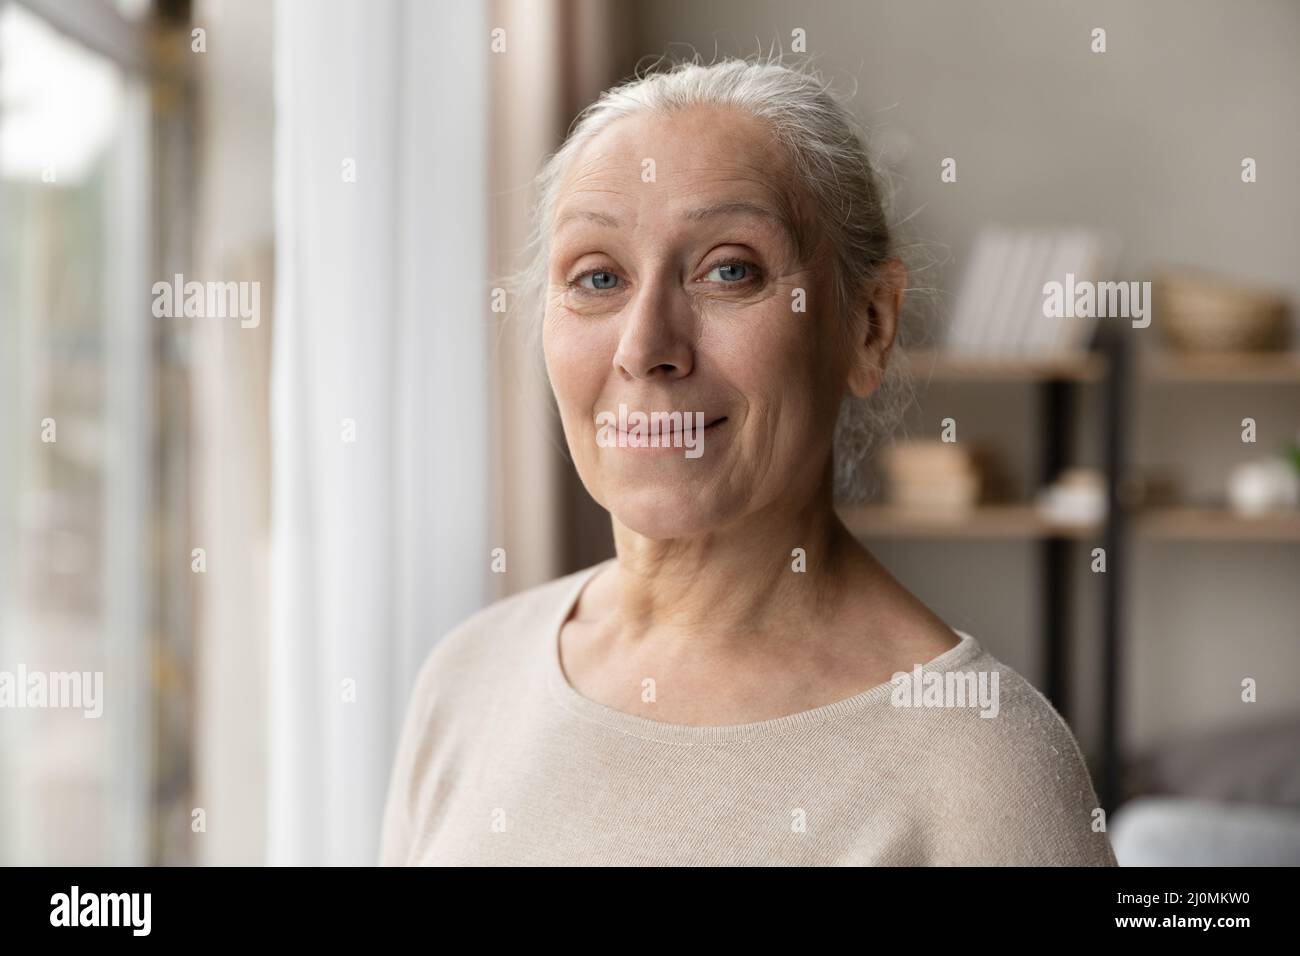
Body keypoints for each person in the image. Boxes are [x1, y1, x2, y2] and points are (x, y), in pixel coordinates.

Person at [379, 55, 1117, 866]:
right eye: (598, 278)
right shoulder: (469, 678)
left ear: (868, 326)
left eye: (730, 270)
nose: (646, 346)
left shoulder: (982, 766)